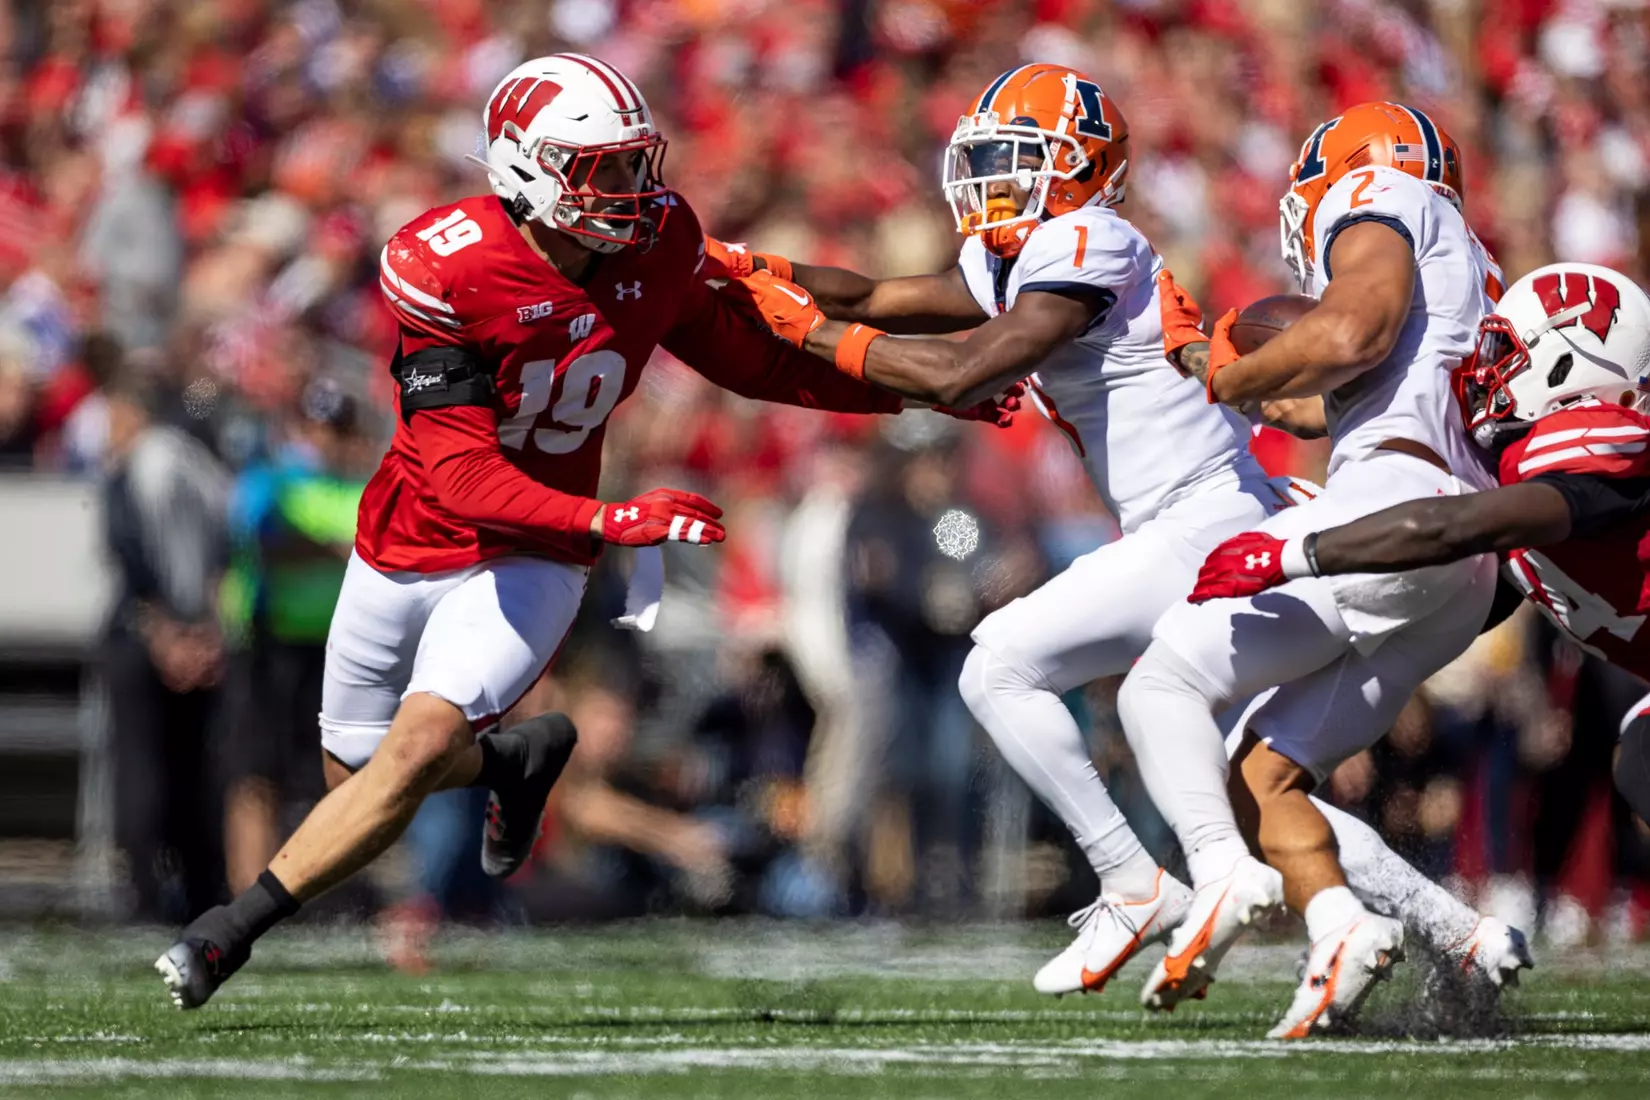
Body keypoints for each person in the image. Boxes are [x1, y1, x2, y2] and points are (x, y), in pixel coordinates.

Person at [155, 53, 1008, 1010]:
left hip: (536, 554)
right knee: (353, 769)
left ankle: (226, 935)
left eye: (637, 164)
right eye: (602, 170)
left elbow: (748, 359)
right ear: (524, 169)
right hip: (416, 534)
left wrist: (918, 390)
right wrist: (609, 515)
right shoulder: (445, 264)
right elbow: (461, 473)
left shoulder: (656, 242)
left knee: (406, 754)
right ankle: (518, 757)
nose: (633, 191)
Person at [716, 72, 1523, 1006]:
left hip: (1202, 515)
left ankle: (1144, 880)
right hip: (1231, 514)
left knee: (1000, 665)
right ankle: (1456, 933)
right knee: (1247, 775)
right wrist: (741, 269)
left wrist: (811, 335)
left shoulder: (1088, 237)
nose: (987, 179)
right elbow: (879, 294)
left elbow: (963, 371)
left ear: (1080, 169)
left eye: (1012, 159)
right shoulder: (1032, 248)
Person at [1111, 102, 1514, 1038]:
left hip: (1388, 515)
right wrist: (1213, 363)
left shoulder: (1379, 195)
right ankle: (1452, 938)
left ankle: (1217, 884)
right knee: (1268, 779)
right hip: (1454, 557)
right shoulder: (1469, 265)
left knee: (1160, 685)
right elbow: (1349, 389)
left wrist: (1226, 375)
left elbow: (1348, 336)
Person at [1188, 261, 1650, 828]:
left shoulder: (1595, 447)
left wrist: (1297, 554)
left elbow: (1452, 527)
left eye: (1506, 355)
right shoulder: (1512, 470)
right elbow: (1468, 588)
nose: (1484, 372)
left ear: (1565, 369)